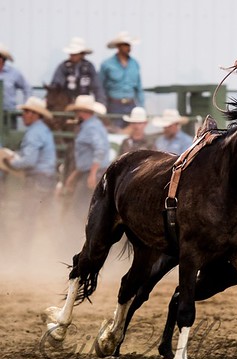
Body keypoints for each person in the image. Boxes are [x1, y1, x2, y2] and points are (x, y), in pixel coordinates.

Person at [1, 97, 57, 227]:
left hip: (37, 179)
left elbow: (29, 161)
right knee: (47, 217)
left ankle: (24, 245)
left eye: (26, 112)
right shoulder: (42, 129)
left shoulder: (34, 133)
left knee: (28, 217)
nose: (23, 115)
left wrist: (10, 163)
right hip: (46, 178)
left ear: (35, 114)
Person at [64, 95, 110, 225]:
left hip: (93, 173)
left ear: (82, 112)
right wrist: (75, 175)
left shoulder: (91, 127)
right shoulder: (92, 125)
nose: (76, 114)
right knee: (85, 207)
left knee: (81, 208)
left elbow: (99, 149)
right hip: (92, 172)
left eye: (77, 111)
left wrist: (92, 174)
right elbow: (89, 156)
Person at [99, 31, 144, 128]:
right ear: (118, 46)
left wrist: (141, 106)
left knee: (132, 129)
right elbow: (100, 86)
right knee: (115, 130)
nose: (128, 48)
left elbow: (139, 87)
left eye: (129, 45)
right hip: (114, 104)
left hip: (131, 104)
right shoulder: (107, 64)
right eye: (125, 45)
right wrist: (103, 105)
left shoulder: (134, 64)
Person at [50, 37, 106, 105]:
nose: (72, 56)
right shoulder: (64, 66)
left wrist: (100, 103)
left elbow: (97, 87)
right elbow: (56, 84)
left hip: (84, 103)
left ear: (82, 54)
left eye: (75, 54)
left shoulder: (89, 67)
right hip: (66, 103)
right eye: (71, 54)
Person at [0, 43, 32, 128]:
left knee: (8, 139)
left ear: (2, 59)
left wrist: (26, 106)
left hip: (8, 114)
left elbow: (27, 88)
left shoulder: (13, 72)